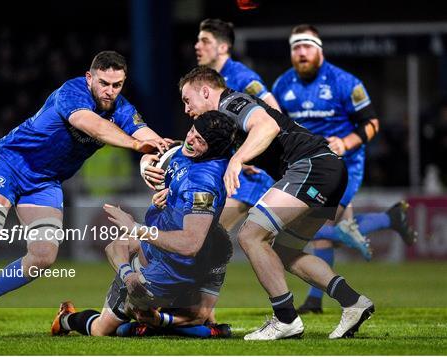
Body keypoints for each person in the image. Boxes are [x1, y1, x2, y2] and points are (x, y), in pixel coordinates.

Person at [0, 51, 172, 340]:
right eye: (104, 83)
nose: (110, 91)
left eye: (117, 84)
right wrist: (136, 145)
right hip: (8, 163)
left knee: (44, 256)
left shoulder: (121, 108)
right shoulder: (72, 92)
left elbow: (147, 137)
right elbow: (91, 124)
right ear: (89, 78)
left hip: (44, 182)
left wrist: (158, 153)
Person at [179, 66, 375, 340]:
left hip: (311, 166)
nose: (187, 109)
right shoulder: (223, 123)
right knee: (285, 251)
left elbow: (267, 126)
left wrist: (238, 159)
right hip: (327, 169)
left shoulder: (230, 102)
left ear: (205, 91)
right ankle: (353, 302)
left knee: (250, 235)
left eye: (188, 100)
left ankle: (285, 319)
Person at [50, 111, 237, 338]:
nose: (190, 141)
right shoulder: (187, 153)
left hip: (175, 261)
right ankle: (66, 320)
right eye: (191, 132)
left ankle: (143, 323)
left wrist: (136, 228)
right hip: (161, 260)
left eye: (200, 140)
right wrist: (152, 175)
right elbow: (159, 154)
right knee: (102, 329)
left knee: (191, 315)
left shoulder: (202, 184)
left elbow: (190, 244)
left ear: (214, 148)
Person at [271, 24, 417, 313]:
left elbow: (372, 123)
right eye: (295, 47)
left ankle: (316, 298)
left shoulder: (345, 82)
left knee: (316, 226)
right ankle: (388, 219)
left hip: (344, 165)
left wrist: (346, 142)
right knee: (323, 230)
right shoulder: (282, 85)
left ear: (319, 49)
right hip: (305, 166)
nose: (301, 53)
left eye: (307, 46)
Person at [194, 18, 278, 230]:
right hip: (226, 168)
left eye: (204, 41)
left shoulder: (241, 77)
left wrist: (250, 154)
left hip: (249, 174)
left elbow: (274, 113)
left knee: (209, 232)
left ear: (223, 47)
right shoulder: (211, 81)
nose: (197, 46)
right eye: (198, 41)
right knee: (280, 250)